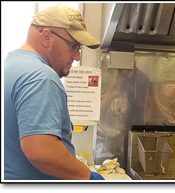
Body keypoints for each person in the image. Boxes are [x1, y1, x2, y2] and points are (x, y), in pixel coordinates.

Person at [4, 5, 104, 180]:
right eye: (74, 46)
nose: (77, 56)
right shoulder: (41, 77)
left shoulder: (10, 65)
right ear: (46, 37)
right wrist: (88, 178)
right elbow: (41, 151)